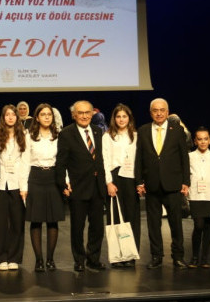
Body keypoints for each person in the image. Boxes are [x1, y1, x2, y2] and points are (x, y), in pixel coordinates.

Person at [55, 100, 114, 272]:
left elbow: (102, 159)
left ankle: (93, 259)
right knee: (77, 227)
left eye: (87, 112)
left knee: (97, 227)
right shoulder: (66, 134)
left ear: (92, 114)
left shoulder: (98, 131)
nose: (84, 116)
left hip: (97, 187)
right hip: (78, 187)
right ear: (74, 115)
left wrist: (107, 181)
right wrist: (63, 183)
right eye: (80, 113)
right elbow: (61, 162)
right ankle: (79, 260)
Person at [135, 98, 191, 269]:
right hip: (151, 184)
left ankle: (178, 256)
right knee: (153, 223)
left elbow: (184, 157)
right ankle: (156, 256)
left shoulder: (177, 130)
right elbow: (139, 158)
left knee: (176, 222)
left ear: (167, 112)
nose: (159, 113)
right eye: (155, 110)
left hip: (173, 184)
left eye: (162, 110)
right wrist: (139, 181)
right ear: (150, 112)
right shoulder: (143, 130)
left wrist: (186, 181)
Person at [25, 103, 63, 272]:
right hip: (35, 177)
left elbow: (62, 161)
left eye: (49, 114)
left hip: (53, 177)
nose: (47, 117)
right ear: (37, 117)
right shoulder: (29, 135)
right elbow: (25, 161)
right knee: (36, 219)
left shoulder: (58, 135)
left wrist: (65, 181)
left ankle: (50, 259)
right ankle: (39, 260)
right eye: (43, 114)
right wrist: (24, 185)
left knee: (53, 220)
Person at [0, 105, 30, 271]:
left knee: (17, 222)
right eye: (7, 115)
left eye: (13, 114)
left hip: (17, 183)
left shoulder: (25, 135)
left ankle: (14, 257)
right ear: (3, 117)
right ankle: (1, 258)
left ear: (17, 117)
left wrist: (24, 186)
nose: (10, 117)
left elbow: (26, 161)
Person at [102, 103, 140, 268]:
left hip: (131, 177)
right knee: (116, 217)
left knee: (132, 217)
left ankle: (130, 254)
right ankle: (118, 255)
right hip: (115, 177)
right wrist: (108, 182)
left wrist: (140, 182)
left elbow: (140, 160)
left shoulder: (136, 136)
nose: (121, 119)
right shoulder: (107, 136)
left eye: (124, 116)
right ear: (114, 119)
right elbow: (104, 160)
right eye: (118, 116)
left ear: (129, 118)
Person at [187, 126, 210, 269]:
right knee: (198, 225)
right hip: (195, 195)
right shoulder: (190, 157)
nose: (203, 142)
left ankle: (204, 258)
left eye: (205, 139)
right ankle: (194, 257)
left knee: (208, 225)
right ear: (195, 141)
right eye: (200, 139)